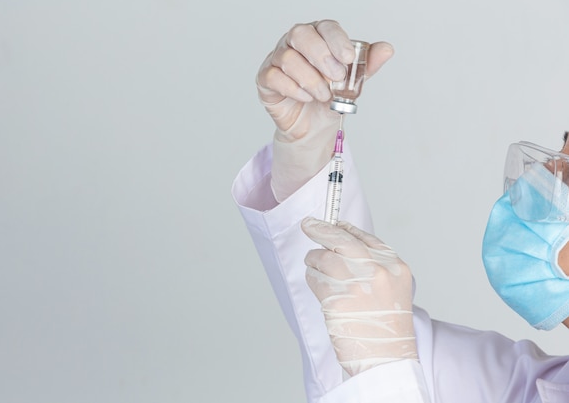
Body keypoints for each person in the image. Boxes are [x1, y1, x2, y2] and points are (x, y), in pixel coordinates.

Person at [231, 20, 569, 403]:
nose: (544, 179)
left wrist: (383, 379)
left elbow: (382, 369)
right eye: (563, 145)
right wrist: (310, 156)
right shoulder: (523, 387)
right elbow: (356, 341)